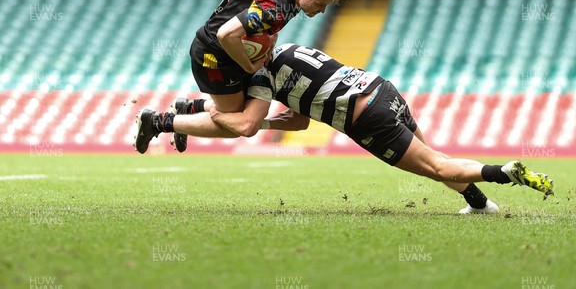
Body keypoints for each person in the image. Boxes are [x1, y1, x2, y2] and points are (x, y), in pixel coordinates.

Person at [135, 43, 554, 214]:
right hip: (382, 89)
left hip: (367, 118)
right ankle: (480, 205)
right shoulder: (291, 49)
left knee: (436, 168)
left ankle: (503, 172)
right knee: (436, 158)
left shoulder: (261, 77)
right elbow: (299, 117)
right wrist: (268, 120)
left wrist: (242, 119)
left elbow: (243, 122)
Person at [170, 0, 348, 153]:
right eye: (320, 4)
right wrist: (248, 67)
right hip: (213, 55)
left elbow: (258, 6)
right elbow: (226, 34)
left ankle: (188, 108)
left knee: (243, 113)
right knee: (236, 123)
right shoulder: (273, 7)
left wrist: (271, 38)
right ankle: (162, 122)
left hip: (227, 49)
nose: (322, 11)